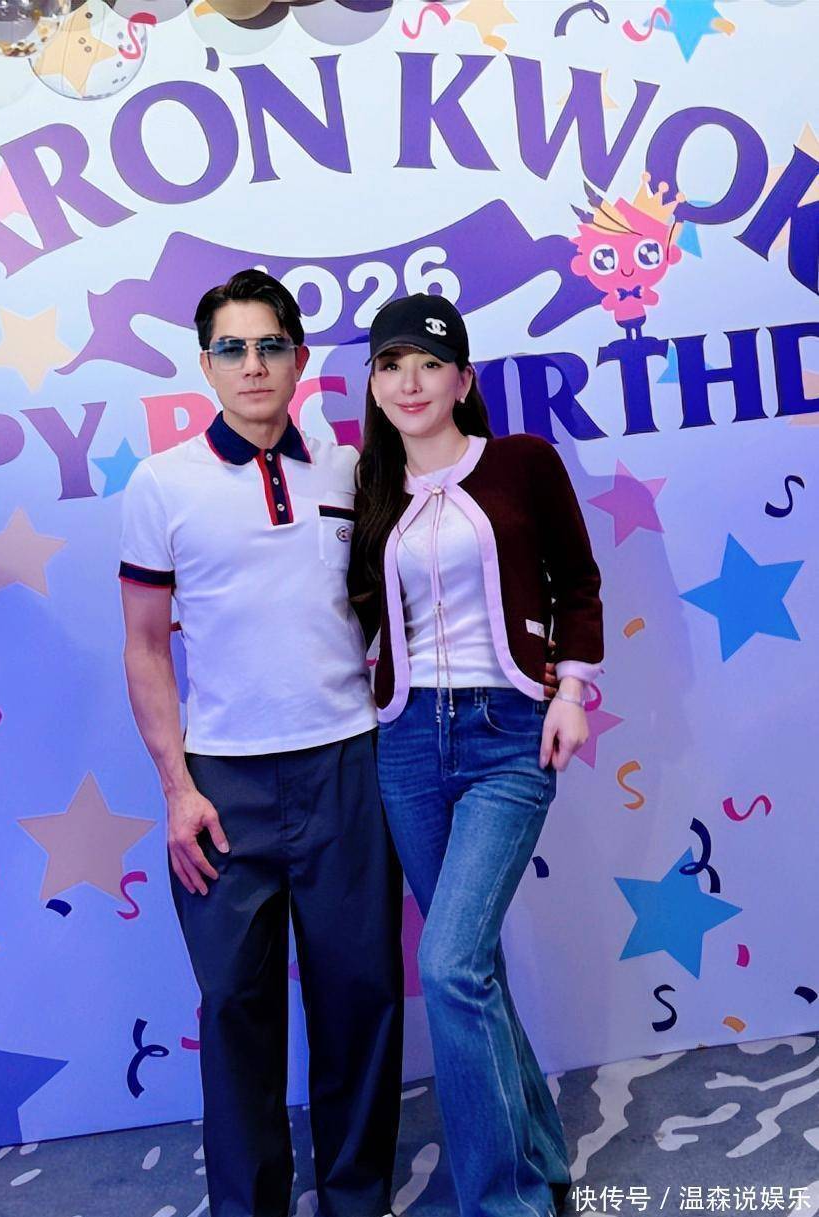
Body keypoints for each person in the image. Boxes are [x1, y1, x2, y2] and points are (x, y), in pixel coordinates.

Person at [118, 269, 403, 1217]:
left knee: (360, 999)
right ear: (205, 365)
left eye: (270, 344)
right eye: (232, 348)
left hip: (347, 767)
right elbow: (146, 647)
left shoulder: (351, 472)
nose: (253, 364)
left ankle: (357, 1199)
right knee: (236, 1010)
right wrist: (177, 789)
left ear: (299, 358)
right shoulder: (161, 484)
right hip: (222, 788)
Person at [348, 293, 605, 1217]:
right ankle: (541, 1158)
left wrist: (570, 689)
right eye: (391, 365)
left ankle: (505, 1203)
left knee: (449, 964)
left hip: (507, 733)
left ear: (463, 379)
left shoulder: (523, 463)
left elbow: (577, 580)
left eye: (429, 363)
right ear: (374, 385)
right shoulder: (371, 489)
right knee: (473, 966)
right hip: (408, 741)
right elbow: (360, 608)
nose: (410, 381)